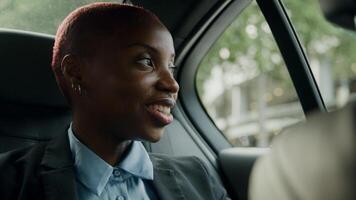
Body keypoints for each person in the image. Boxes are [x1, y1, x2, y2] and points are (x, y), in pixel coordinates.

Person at [0, 3, 228, 200]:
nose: (172, 84)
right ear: (76, 73)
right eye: (146, 61)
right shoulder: (8, 181)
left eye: (171, 66)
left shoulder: (198, 177)